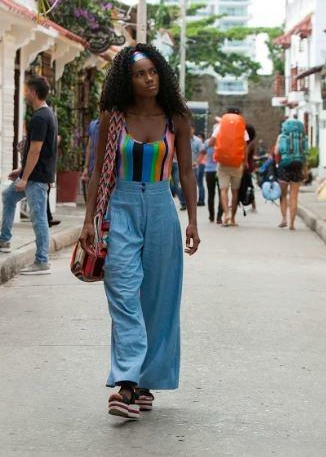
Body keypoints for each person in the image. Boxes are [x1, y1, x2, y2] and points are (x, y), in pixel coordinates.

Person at [79, 44, 200, 420]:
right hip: (121, 207)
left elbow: (187, 172)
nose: (148, 79)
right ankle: (127, 383)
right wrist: (88, 221)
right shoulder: (113, 117)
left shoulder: (175, 117)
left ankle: (147, 382)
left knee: (160, 298)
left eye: (152, 72)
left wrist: (193, 220)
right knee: (123, 291)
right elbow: (99, 171)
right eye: (139, 74)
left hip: (163, 207)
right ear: (126, 80)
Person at [0, 76, 57, 275]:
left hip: (36, 178)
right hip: (33, 174)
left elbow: (36, 150)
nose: (25, 94)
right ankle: (4, 240)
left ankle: (42, 261)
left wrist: (25, 178)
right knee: (8, 196)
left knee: (38, 219)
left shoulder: (39, 117)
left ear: (34, 93)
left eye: (27, 91)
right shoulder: (49, 114)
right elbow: (40, 149)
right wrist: (21, 172)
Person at [209, 107, 248, 227]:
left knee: (223, 190)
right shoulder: (242, 127)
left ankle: (226, 214)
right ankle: (233, 219)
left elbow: (211, 142)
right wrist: (245, 161)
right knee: (235, 191)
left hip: (223, 162)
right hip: (237, 163)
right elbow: (245, 145)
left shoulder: (221, 125)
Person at [275, 113, 308, 230]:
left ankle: (284, 219)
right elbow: (305, 154)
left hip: (284, 167)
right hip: (298, 167)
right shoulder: (302, 137)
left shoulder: (281, 137)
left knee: (283, 195)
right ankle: (292, 224)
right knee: (294, 196)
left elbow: (276, 153)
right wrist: (305, 169)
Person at [204, 133, 224, 224]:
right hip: (221, 170)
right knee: (222, 193)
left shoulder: (208, 142)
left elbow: (202, 151)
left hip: (209, 170)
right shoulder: (223, 142)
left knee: (211, 194)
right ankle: (219, 217)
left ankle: (211, 216)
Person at [82, 118, 100, 202]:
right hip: (92, 169)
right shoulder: (93, 124)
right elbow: (89, 146)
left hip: (105, 170)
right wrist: (86, 167)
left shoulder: (113, 123)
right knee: (91, 200)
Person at [194, 132, 206, 206]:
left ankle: (201, 200)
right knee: (199, 183)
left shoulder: (203, 145)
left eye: (200, 137)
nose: (199, 138)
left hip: (200, 164)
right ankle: (201, 200)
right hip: (200, 164)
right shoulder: (203, 145)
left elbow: (202, 154)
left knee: (199, 183)